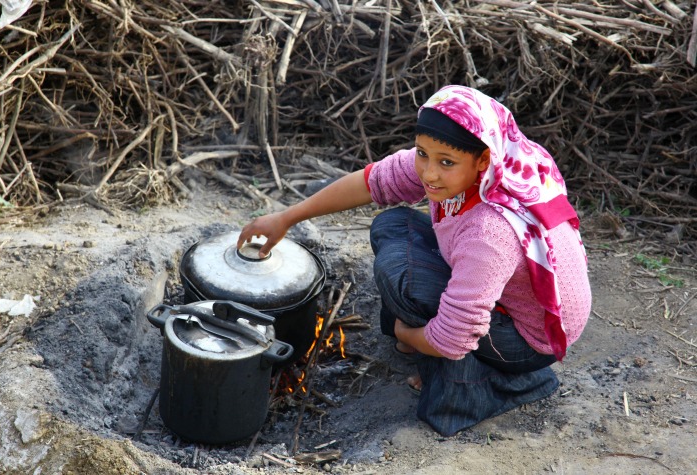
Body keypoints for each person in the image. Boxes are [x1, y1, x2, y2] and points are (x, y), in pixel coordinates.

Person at [237, 85, 592, 436]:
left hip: (529, 337)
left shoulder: (491, 230)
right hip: (502, 288)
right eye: (422, 154)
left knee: (401, 281)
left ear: (484, 159)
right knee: (391, 223)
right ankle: (427, 336)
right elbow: (373, 182)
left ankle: (481, 384)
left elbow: (454, 338)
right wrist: (286, 218)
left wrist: (402, 331)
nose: (429, 173)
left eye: (445, 163)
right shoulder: (468, 166)